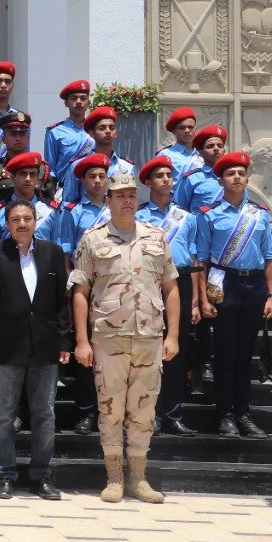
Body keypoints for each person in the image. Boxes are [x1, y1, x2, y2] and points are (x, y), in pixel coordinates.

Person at [71, 174, 180, 504]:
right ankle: (115, 477)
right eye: (120, 195)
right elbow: (80, 291)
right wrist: (82, 341)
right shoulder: (93, 240)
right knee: (110, 409)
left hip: (149, 337)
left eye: (132, 194)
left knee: (144, 411)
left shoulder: (156, 237)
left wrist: (173, 336)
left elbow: (171, 287)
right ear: (109, 201)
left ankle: (139, 478)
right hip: (109, 338)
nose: (127, 200)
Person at [0, 200, 70, 501]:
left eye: (27, 218)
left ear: (35, 221)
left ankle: (41, 474)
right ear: (7, 224)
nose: (22, 224)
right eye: (16, 219)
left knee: (45, 413)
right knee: (4, 414)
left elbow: (61, 304)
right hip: (7, 346)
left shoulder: (53, 253)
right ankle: (4, 474)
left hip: (44, 345)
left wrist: (64, 342)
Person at [195, 151, 272, 440]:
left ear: (247, 179)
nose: (237, 177)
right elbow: (202, 260)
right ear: (221, 180)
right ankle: (225, 414)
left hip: (254, 285)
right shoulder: (208, 215)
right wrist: (203, 299)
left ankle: (244, 413)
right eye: (231, 173)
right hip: (224, 284)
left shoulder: (259, 214)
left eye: (241, 173)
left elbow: (269, 257)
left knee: (244, 355)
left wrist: (271, 295)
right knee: (226, 353)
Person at [136, 156, 203, 437]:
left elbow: (195, 258)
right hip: (148, 284)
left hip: (181, 283)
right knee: (147, 351)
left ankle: (173, 414)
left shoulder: (187, 217)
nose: (166, 179)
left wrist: (197, 301)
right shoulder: (138, 217)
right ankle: (148, 415)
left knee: (176, 350)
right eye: (159, 176)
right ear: (148, 182)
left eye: (169, 175)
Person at [49, 153, 113, 435]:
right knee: (85, 350)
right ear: (83, 181)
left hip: (113, 287)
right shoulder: (73, 211)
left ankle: (110, 412)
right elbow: (66, 253)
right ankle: (87, 411)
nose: (97, 181)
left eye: (101, 176)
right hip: (84, 287)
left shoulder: (115, 207)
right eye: (92, 176)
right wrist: (71, 288)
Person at [59, 106, 135, 204]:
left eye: (111, 128)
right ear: (91, 133)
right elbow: (68, 202)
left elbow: (131, 198)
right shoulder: (77, 165)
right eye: (102, 128)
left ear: (116, 133)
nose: (108, 131)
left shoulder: (127, 166)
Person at [0, 152, 60, 243]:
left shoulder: (50, 210)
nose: (28, 179)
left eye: (32, 174)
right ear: (13, 178)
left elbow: (57, 245)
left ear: (37, 179)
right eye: (23, 174)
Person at [43, 80, 92, 197]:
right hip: (65, 192)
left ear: (89, 102)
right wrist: (51, 198)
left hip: (92, 191)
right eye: (74, 98)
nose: (78, 101)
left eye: (83, 98)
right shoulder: (54, 132)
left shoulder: (95, 130)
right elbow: (51, 170)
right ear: (66, 103)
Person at [174, 124, 228, 212]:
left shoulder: (234, 176)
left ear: (224, 151)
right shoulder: (191, 179)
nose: (216, 149)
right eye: (210, 146)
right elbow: (178, 211)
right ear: (200, 152)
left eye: (219, 146)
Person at [158, 107, 203, 180]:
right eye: (182, 128)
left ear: (195, 129)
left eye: (190, 127)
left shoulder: (203, 153)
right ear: (174, 131)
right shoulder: (165, 154)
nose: (187, 130)